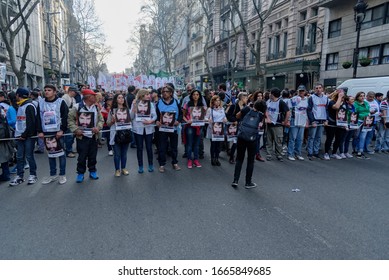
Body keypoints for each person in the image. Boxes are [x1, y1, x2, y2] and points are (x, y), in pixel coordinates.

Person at [68, 89, 104, 183]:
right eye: (94, 96)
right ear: (88, 97)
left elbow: (101, 120)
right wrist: (76, 130)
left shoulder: (96, 107)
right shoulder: (77, 107)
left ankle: (92, 171)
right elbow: (70, 120)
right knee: (82, 157)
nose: (96, 98)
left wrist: (98, 128)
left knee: (93, 156)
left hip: (93, 136)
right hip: (82, 137)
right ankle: (80, 173)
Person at [37, 84, 69, 185]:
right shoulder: (41, 102)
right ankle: (52, 174)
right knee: (50, 154)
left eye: (49, 90)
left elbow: (65, 116)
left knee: (61, 154)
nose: (46, 92)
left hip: (58, 131)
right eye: (45, 90)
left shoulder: (61, 102)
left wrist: (62, 130)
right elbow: (38, 117)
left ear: (54, 92)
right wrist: (40, 131)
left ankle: (62, 175)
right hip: (46, 132)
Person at [232, 100, 266, 189]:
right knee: (250, 160)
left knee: (239, 159)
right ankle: (248, 182)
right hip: (252, 138)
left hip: (242, 136)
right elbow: (264, 123)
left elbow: (237, 115)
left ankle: (235, 180)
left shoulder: (246, 109)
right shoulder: (261, 115)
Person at [9, 87, 38, 186]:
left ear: (18, 95)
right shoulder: (21, 106)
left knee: (29, 156)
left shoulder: (29, 106)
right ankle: (19, 176)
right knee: (19, 157)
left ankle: (33, 175)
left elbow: (31, 123)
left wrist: (24, 135)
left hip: (27, 136)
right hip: (19, 135)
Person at [155, 85, 182, 173]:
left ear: (171, 93)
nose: (165, 93)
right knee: (162, 147)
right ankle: (162, 164)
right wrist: (156, 121)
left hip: (173, 128)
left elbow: (181, 114)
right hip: (162, 129)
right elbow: (156, 115)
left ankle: (174, 163)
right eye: (163, 92)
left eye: (167, 92)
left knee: (174, 146)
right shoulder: (159, 102)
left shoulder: (176, 102)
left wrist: (178, 121)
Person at [130, 89, 157, 174]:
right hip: (138, 129)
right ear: (142, 95)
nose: (149, 95)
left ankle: (150, 164)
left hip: (148, 128)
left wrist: (151, 121)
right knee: (139, 148)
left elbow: (155, 115)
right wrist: (134, 107)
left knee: (149, 147)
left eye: (149, 94)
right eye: (147, 94)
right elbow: (131, 117)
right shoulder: (135, 103)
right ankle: (140, 166)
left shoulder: (151, 104)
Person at [107, 93, 132, 176]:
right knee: (117, 154)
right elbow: (108, 124)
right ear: (116, 100)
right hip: (116, 134)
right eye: (119, 98)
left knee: (124, 154)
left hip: (126, 134)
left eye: (122, 98)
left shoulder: (127, 110)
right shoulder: (112, 111)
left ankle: (124, 168)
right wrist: (112, 121)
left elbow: (131, 120)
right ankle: (117, 169)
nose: (121, 99)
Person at [265, 87, 290, 162]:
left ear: (273, 94)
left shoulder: (281, 102)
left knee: (278, 141)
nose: (269, 94)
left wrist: (285, 122)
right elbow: (265, 110)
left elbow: (288, 112)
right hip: (269, 124)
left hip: (278, 125)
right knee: (269, 141)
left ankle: (278, 154)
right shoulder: (268, 101)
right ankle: (269, 154)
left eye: (270, 93)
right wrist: (267, 118)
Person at [182, 90, 206, 169]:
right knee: (189, 144)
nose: (195, 96)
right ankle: (189, 159)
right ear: (191, 96)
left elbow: (204, 116)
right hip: (190, 126)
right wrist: (187, 121)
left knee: (197, 144)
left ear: (199, 96)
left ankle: (196, 159)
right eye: (194, 94)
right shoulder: (187, 104)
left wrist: (206, 119)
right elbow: (183, 116)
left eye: (197, 94)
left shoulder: (202, 105)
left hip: (199, 127)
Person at [307, 83, 328, 160]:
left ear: (322, 89)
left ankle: (316, 152)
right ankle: (310, 153)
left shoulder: (326, 98)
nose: (318, 89)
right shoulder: (311, 98)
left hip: (322, 120)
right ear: (314, 89)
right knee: (311, 137)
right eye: (316, 88)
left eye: (320, 88)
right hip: (315, 120)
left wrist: (326, 119)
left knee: (318, 137)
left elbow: (327, 109)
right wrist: (312, 121)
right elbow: (309, 110)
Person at [226, 92, 249, 163]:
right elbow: (228, 115)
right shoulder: (234, 106)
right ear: (242, 98)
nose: (247, 99)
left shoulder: (246, 107)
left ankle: (238, 157)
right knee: (235, 142)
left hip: (243, 127)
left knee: (241, 143)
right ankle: (231, 157)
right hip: (234, 126)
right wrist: (234, 120)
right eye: (246, 98)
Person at [287, 85, 308, 161]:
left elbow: (307, 111)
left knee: (300, 139)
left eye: (302, 91)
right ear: (297, 91)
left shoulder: (307, 100)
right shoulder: (293, 99)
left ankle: (298, 153)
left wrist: (307, 121)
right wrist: (289, 120)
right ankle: (290, 153)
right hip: (294, 120)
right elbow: (289, 110)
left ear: (305, 92)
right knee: (292, 138)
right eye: (300, 91)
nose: (301, 92)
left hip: (302, 121)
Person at [323, 90, 346, 160]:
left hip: (340, 123)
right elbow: (336, 107)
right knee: (330, 138)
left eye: (343, 97)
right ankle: (326, 153)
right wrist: (339, 97)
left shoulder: (344, 103)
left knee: (338, 139)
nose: (342, 98)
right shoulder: (331, 102)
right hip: (331, 122)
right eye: (341, 97)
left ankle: (334, 153)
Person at [205, 95, 227, 166]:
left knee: (219, 145)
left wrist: (225, 120)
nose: (217, 102)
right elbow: (205, 118)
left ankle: (217, 158)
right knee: (213, 145)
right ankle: (212, 158)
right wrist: (208, 120)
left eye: (218, 100)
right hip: (212, 129)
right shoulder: (210, 109)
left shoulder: (222, 109)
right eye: (216, 100)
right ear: (213, 101)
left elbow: (225, 117)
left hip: (220, 130)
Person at [353, 91, 370, 159]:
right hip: (358, 121)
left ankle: (360, 151)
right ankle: (355, 149)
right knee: (356, 136)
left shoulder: (366, 103)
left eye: (363, 96)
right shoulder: (355, 104)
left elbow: (368, 111)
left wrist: (368, 115)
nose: (363, 97)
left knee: (363, 137)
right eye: (361, 96)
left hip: (366, 121)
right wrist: (364, 115)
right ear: (357, 97)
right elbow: (355, 113)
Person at [62, 86, 77, 158]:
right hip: (67, 119)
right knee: (69, 135)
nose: (75, 93)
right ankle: (68, 151)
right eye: (74, 92)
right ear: (70, 91)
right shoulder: (65, 98)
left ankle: (69, 148)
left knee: (72, 135)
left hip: (72, 118)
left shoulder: (73, 99)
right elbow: (65, 110)